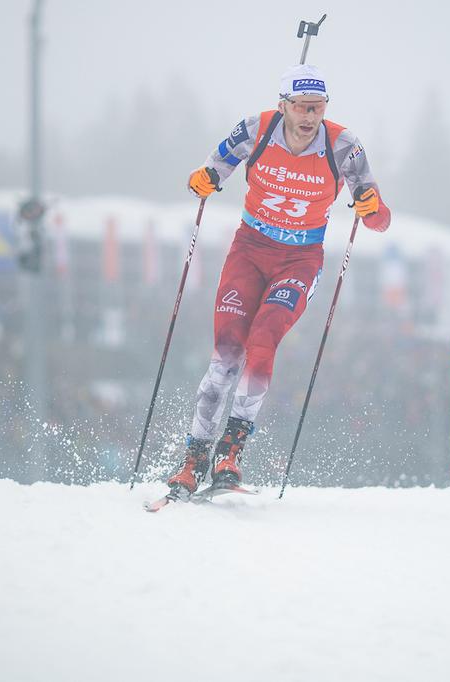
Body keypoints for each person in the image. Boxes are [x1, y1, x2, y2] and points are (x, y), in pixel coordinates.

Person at [166, 64, 391, 498]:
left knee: (264, 337)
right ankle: (194, 458)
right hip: (248, 251)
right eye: (303, 107)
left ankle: (231, 451)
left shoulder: (344, 144)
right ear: (283, 105)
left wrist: (369, 207)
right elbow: (211, 171)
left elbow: (380, 220)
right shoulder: (258, 128)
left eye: (318, 108)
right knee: (227, 353)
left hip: (300, 260)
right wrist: (203, 181)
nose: (310, 118)